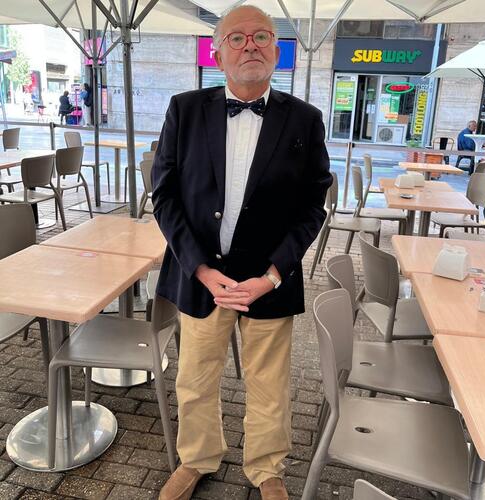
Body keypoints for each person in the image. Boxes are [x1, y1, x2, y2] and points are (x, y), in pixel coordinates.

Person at [151, 5, 331, 500]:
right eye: (237, 37)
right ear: (217, 53)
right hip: (202, 278)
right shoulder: (184, 110)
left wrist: (273, 275)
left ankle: (267, 470)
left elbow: (312, 208)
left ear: (276, 50)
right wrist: (199, 269)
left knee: (270, 383)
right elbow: (164, 197)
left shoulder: (306, 120)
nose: (250, 45)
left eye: (261, 37)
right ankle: (197, 459)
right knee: (195, 379)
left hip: (268, 280)